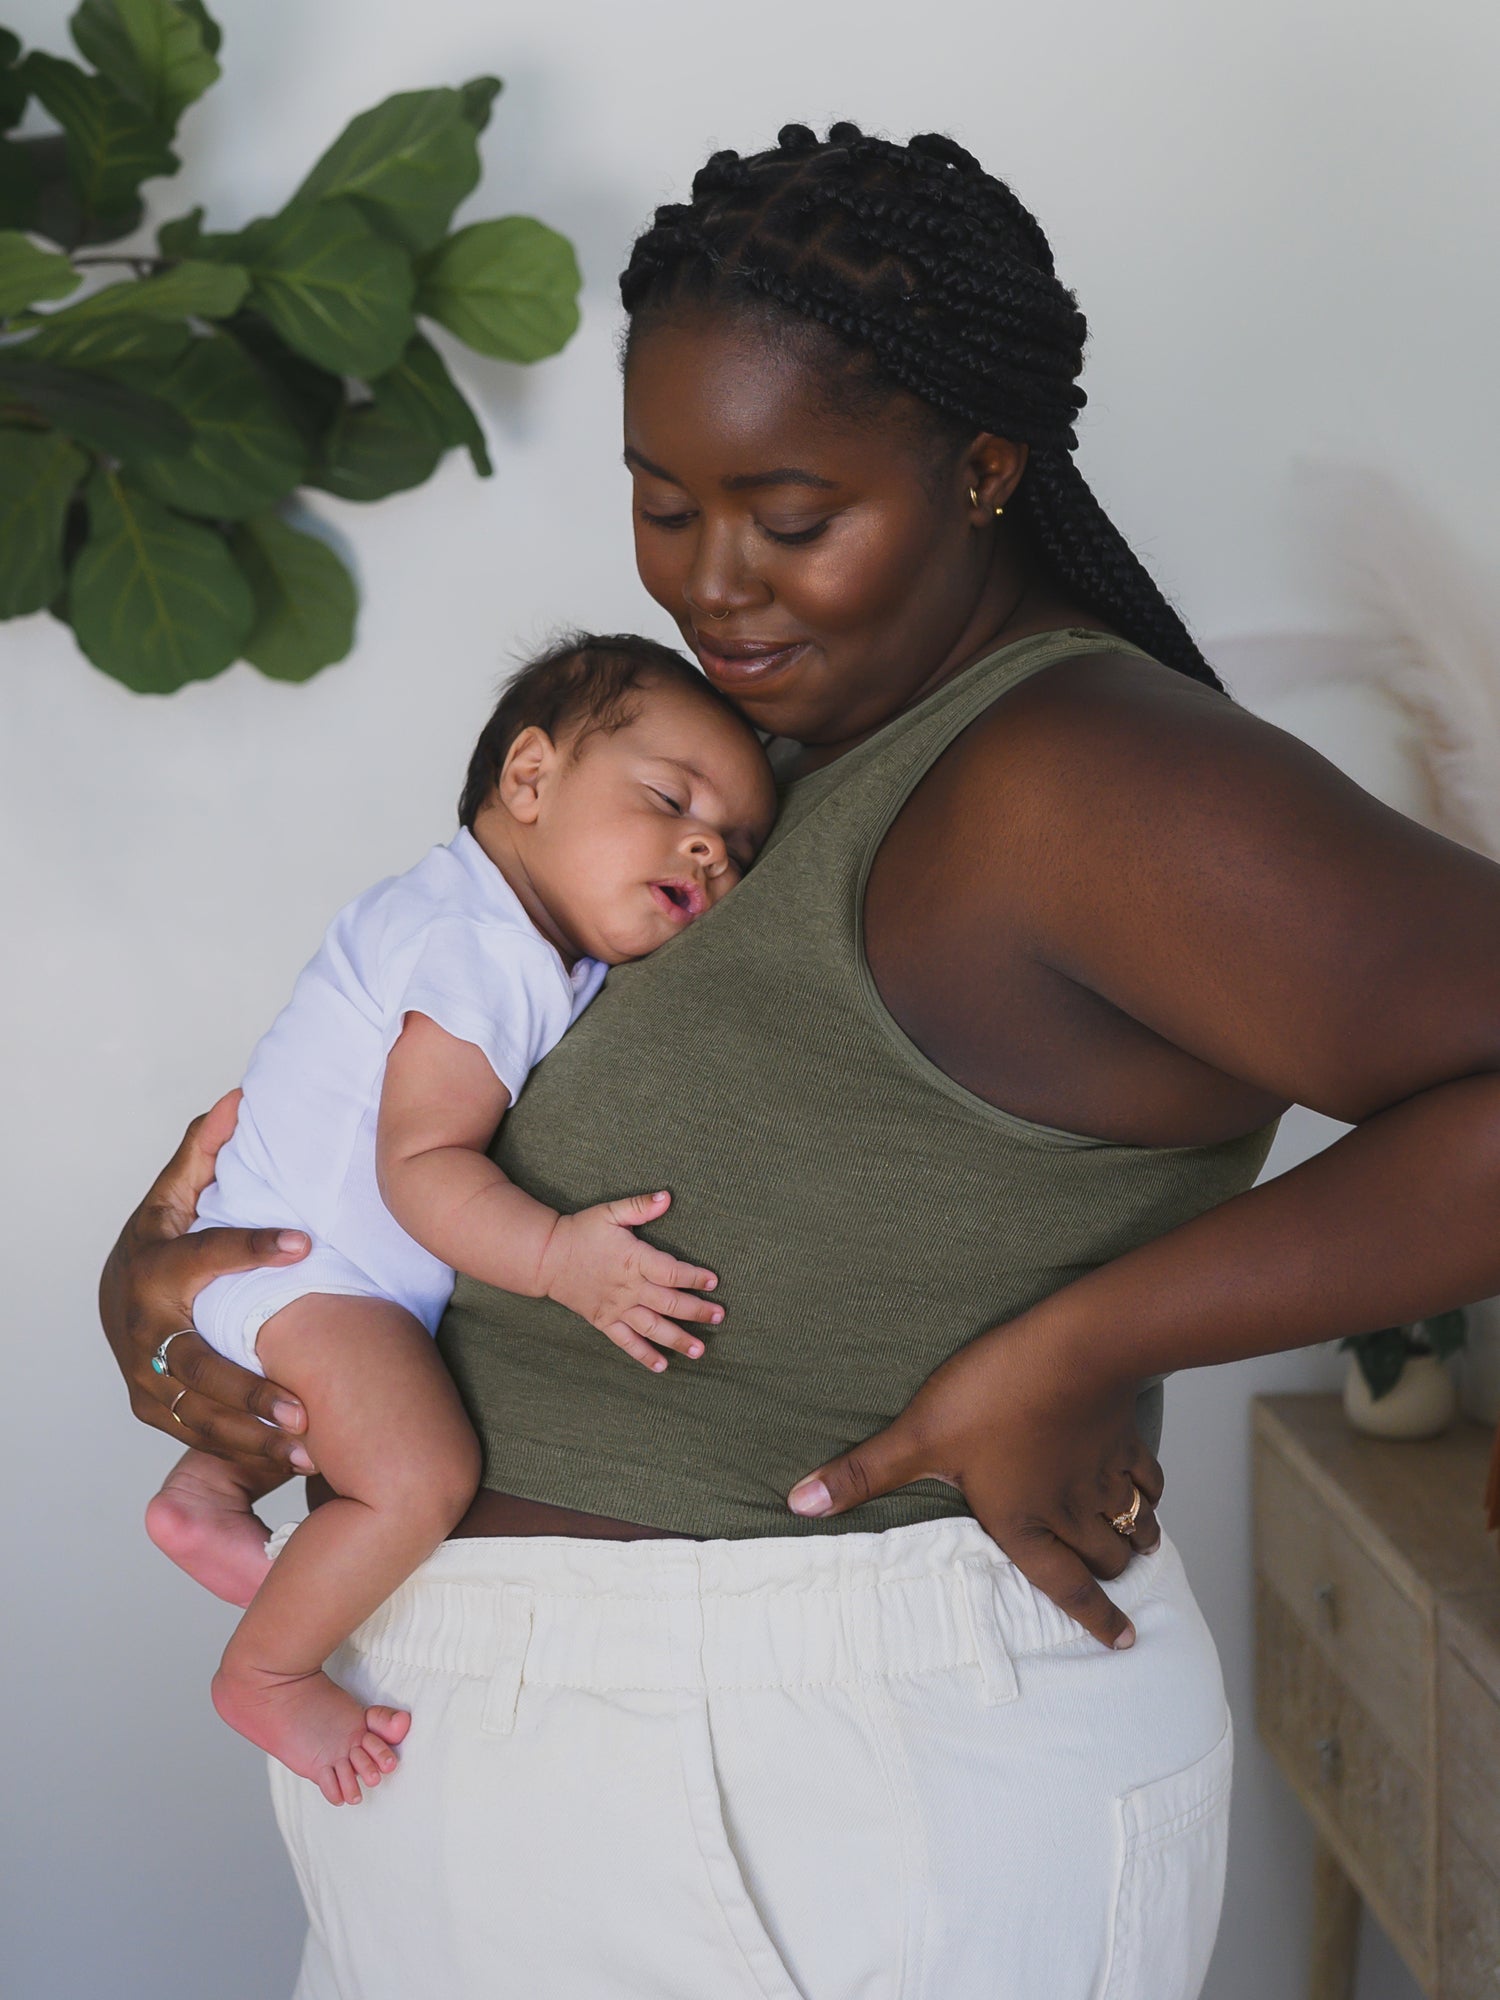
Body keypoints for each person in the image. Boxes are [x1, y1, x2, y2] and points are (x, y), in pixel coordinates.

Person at [101, 124, 1500, 1998]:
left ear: (984, 468)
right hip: (564, 1743)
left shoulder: (1086, 778)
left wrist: (1088, 1342)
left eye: (790, 513)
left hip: (800, 1771)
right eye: (663, 504)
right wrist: (187, 1288)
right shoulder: (770, 754)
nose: (716, 586)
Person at [144, 633, 776, 1807]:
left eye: (738, 846)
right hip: (311, 1267)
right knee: (421, 1473)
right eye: (671, 800)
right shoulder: (486, 950)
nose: (709, 847)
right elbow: (421, 1167)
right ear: (528, 779)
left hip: (284, 1253)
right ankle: (267, 1671)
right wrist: (558, 1261)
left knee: (362, 1418)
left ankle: (208, 1490)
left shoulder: (493, 920)